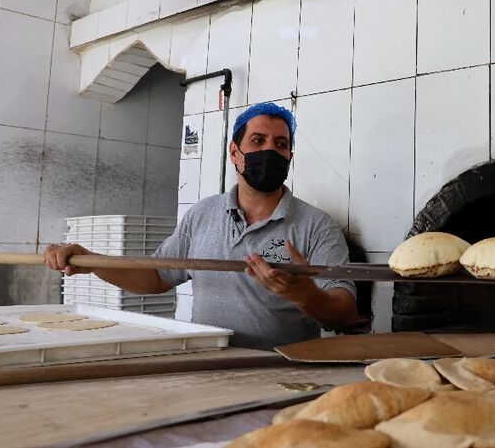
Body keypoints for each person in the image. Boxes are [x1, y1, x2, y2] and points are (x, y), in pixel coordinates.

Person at [43, 102, 358, 350]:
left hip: (280, 372)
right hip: (207, 363)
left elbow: (346, 314)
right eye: (257, 141)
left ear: (290, 156)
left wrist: (306, 296)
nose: (269, 151)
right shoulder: (202, 215)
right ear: (235, 153)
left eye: (280, 144)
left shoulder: (316, 227)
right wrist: (90, 261)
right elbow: (155, 276)